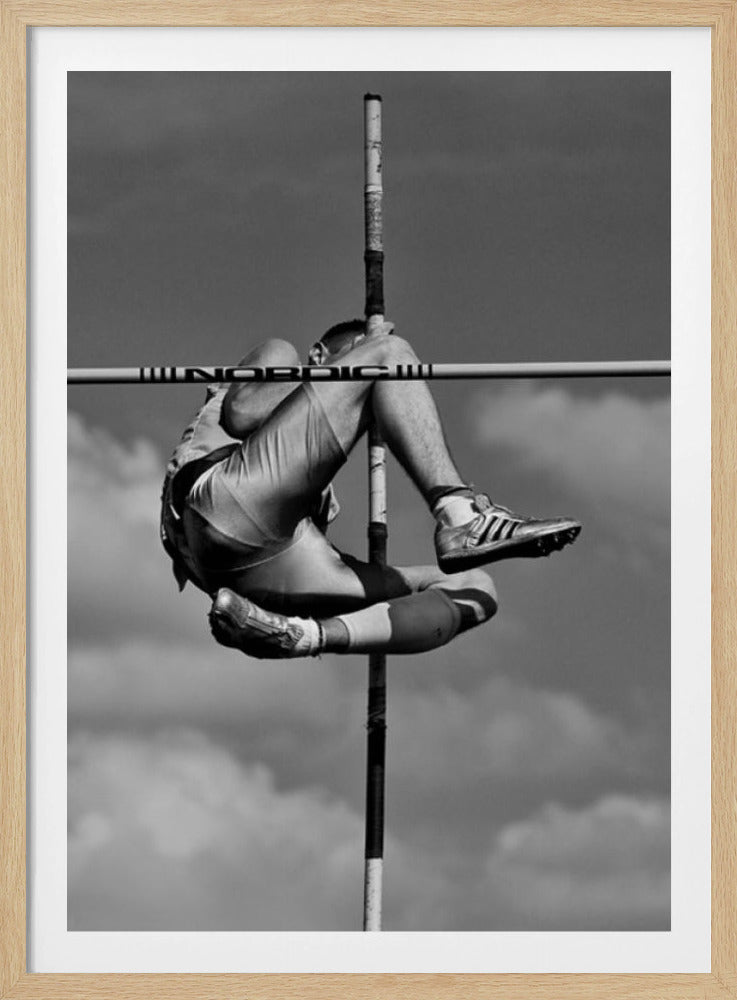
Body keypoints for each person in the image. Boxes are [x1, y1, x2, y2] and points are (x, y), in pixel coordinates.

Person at [160, 321, 581, 659]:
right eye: (352, 352)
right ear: (321, 357)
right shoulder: (281, 355)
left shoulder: (308, 478)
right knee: (391, 356)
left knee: (476, 588)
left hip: (274, 568)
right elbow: (242, 412)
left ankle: (305, 637)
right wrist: (362, 363)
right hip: (224, 501)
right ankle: (460, 516)